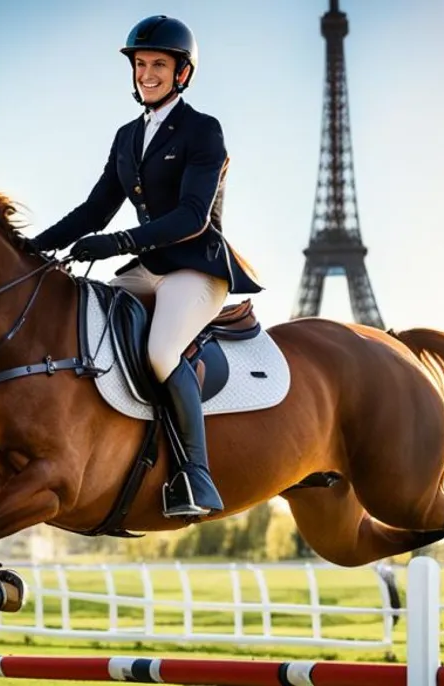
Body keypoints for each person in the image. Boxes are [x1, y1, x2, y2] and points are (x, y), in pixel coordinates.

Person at [29, 15, 263, 519]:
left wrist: (118, 241)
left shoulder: (203, 130)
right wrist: (30, 247)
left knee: (160, 351)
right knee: (85, 323)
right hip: (149, 267)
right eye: (141, 64)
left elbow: (192, 215)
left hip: (196, 269)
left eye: (159, 64)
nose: (147, 73)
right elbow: (94, 210)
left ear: (181, 74)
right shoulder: (126, 137)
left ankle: (195, 475)